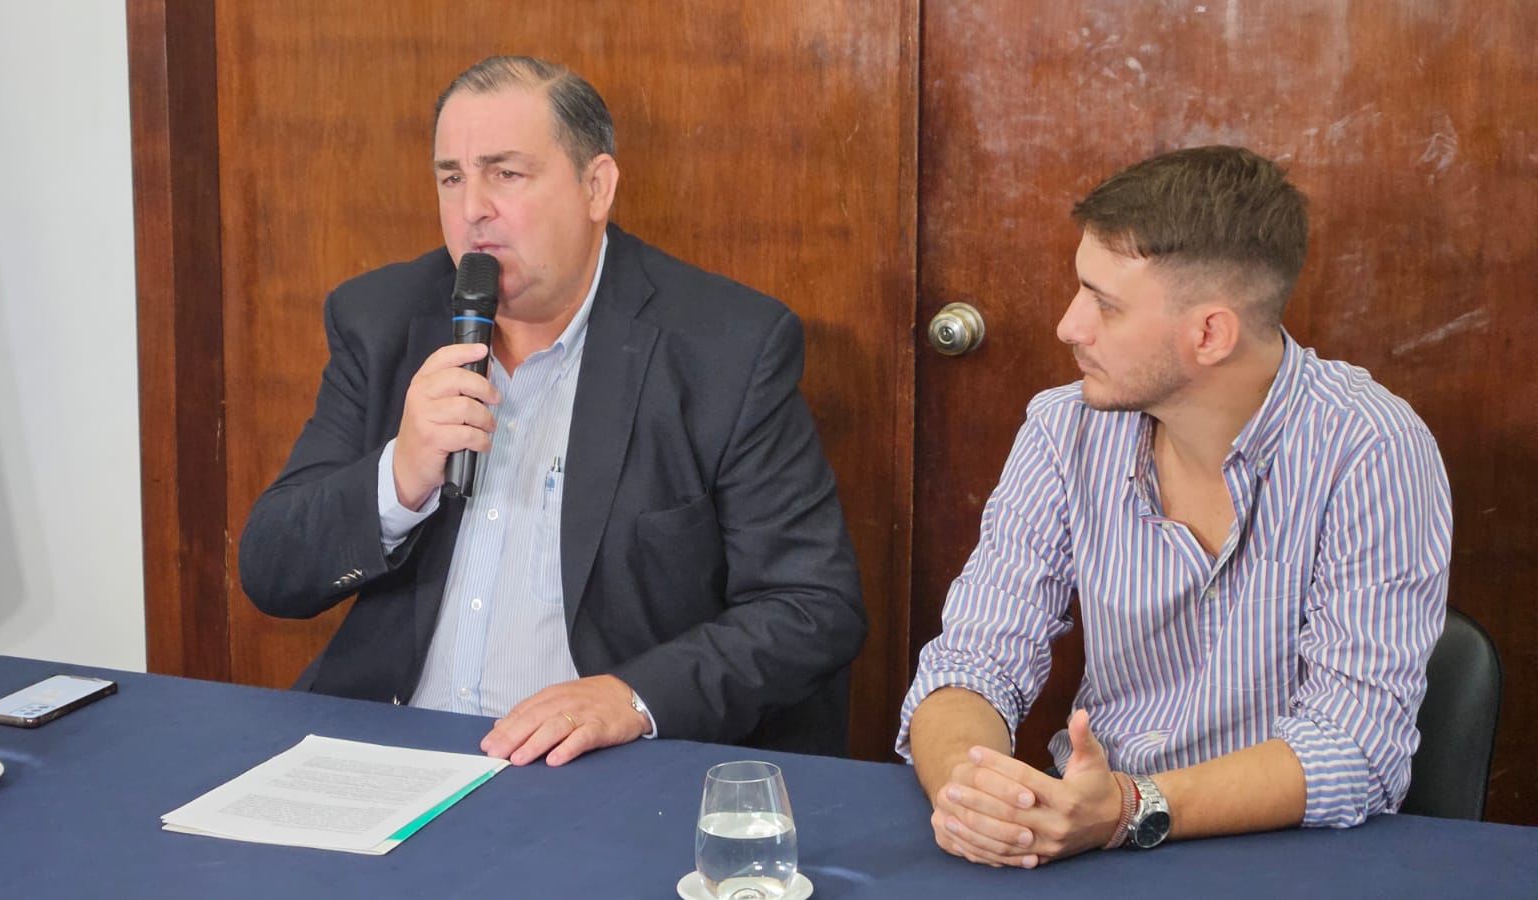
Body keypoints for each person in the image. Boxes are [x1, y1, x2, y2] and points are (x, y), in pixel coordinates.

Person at [239, 56, 866, 767]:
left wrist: (632, 699)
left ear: (596, 187)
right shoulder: (380, 320)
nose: (472, 209)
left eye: (506, 174)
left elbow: (811, 606)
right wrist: (399, 476)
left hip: (596, 768)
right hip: (396, 748)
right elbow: (272, 571)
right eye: (452, 178)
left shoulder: (726, 347)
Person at [899, 146, 1451, 867]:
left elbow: (1357, 749)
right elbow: (972, 662)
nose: (1069, 326)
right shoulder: (1064, 429)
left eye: (1105, 304)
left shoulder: (1371, 448)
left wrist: (1128, 808)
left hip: (1292, 855)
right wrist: (972, 795)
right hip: (1093, 837)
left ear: (1210, 334)